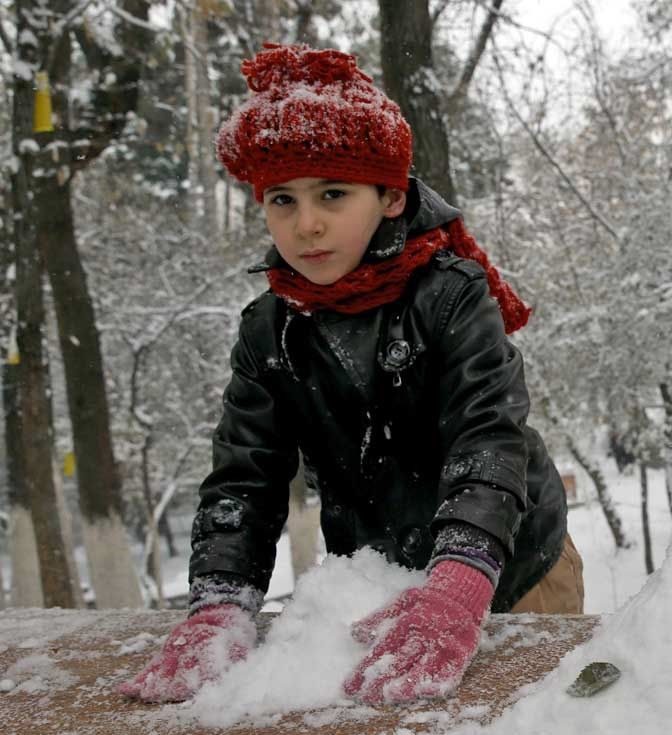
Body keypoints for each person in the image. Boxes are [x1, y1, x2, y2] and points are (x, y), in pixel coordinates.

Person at [118, 43, 583, 706]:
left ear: (391, 196)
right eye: (283, 200)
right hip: (382, 583)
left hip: (515, 565)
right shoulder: (268, 330)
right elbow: (243, 477)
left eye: (332, 194)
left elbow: (490, 435)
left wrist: (460, 579)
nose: (307, 224)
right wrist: (220, 601)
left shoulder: (452, 296)